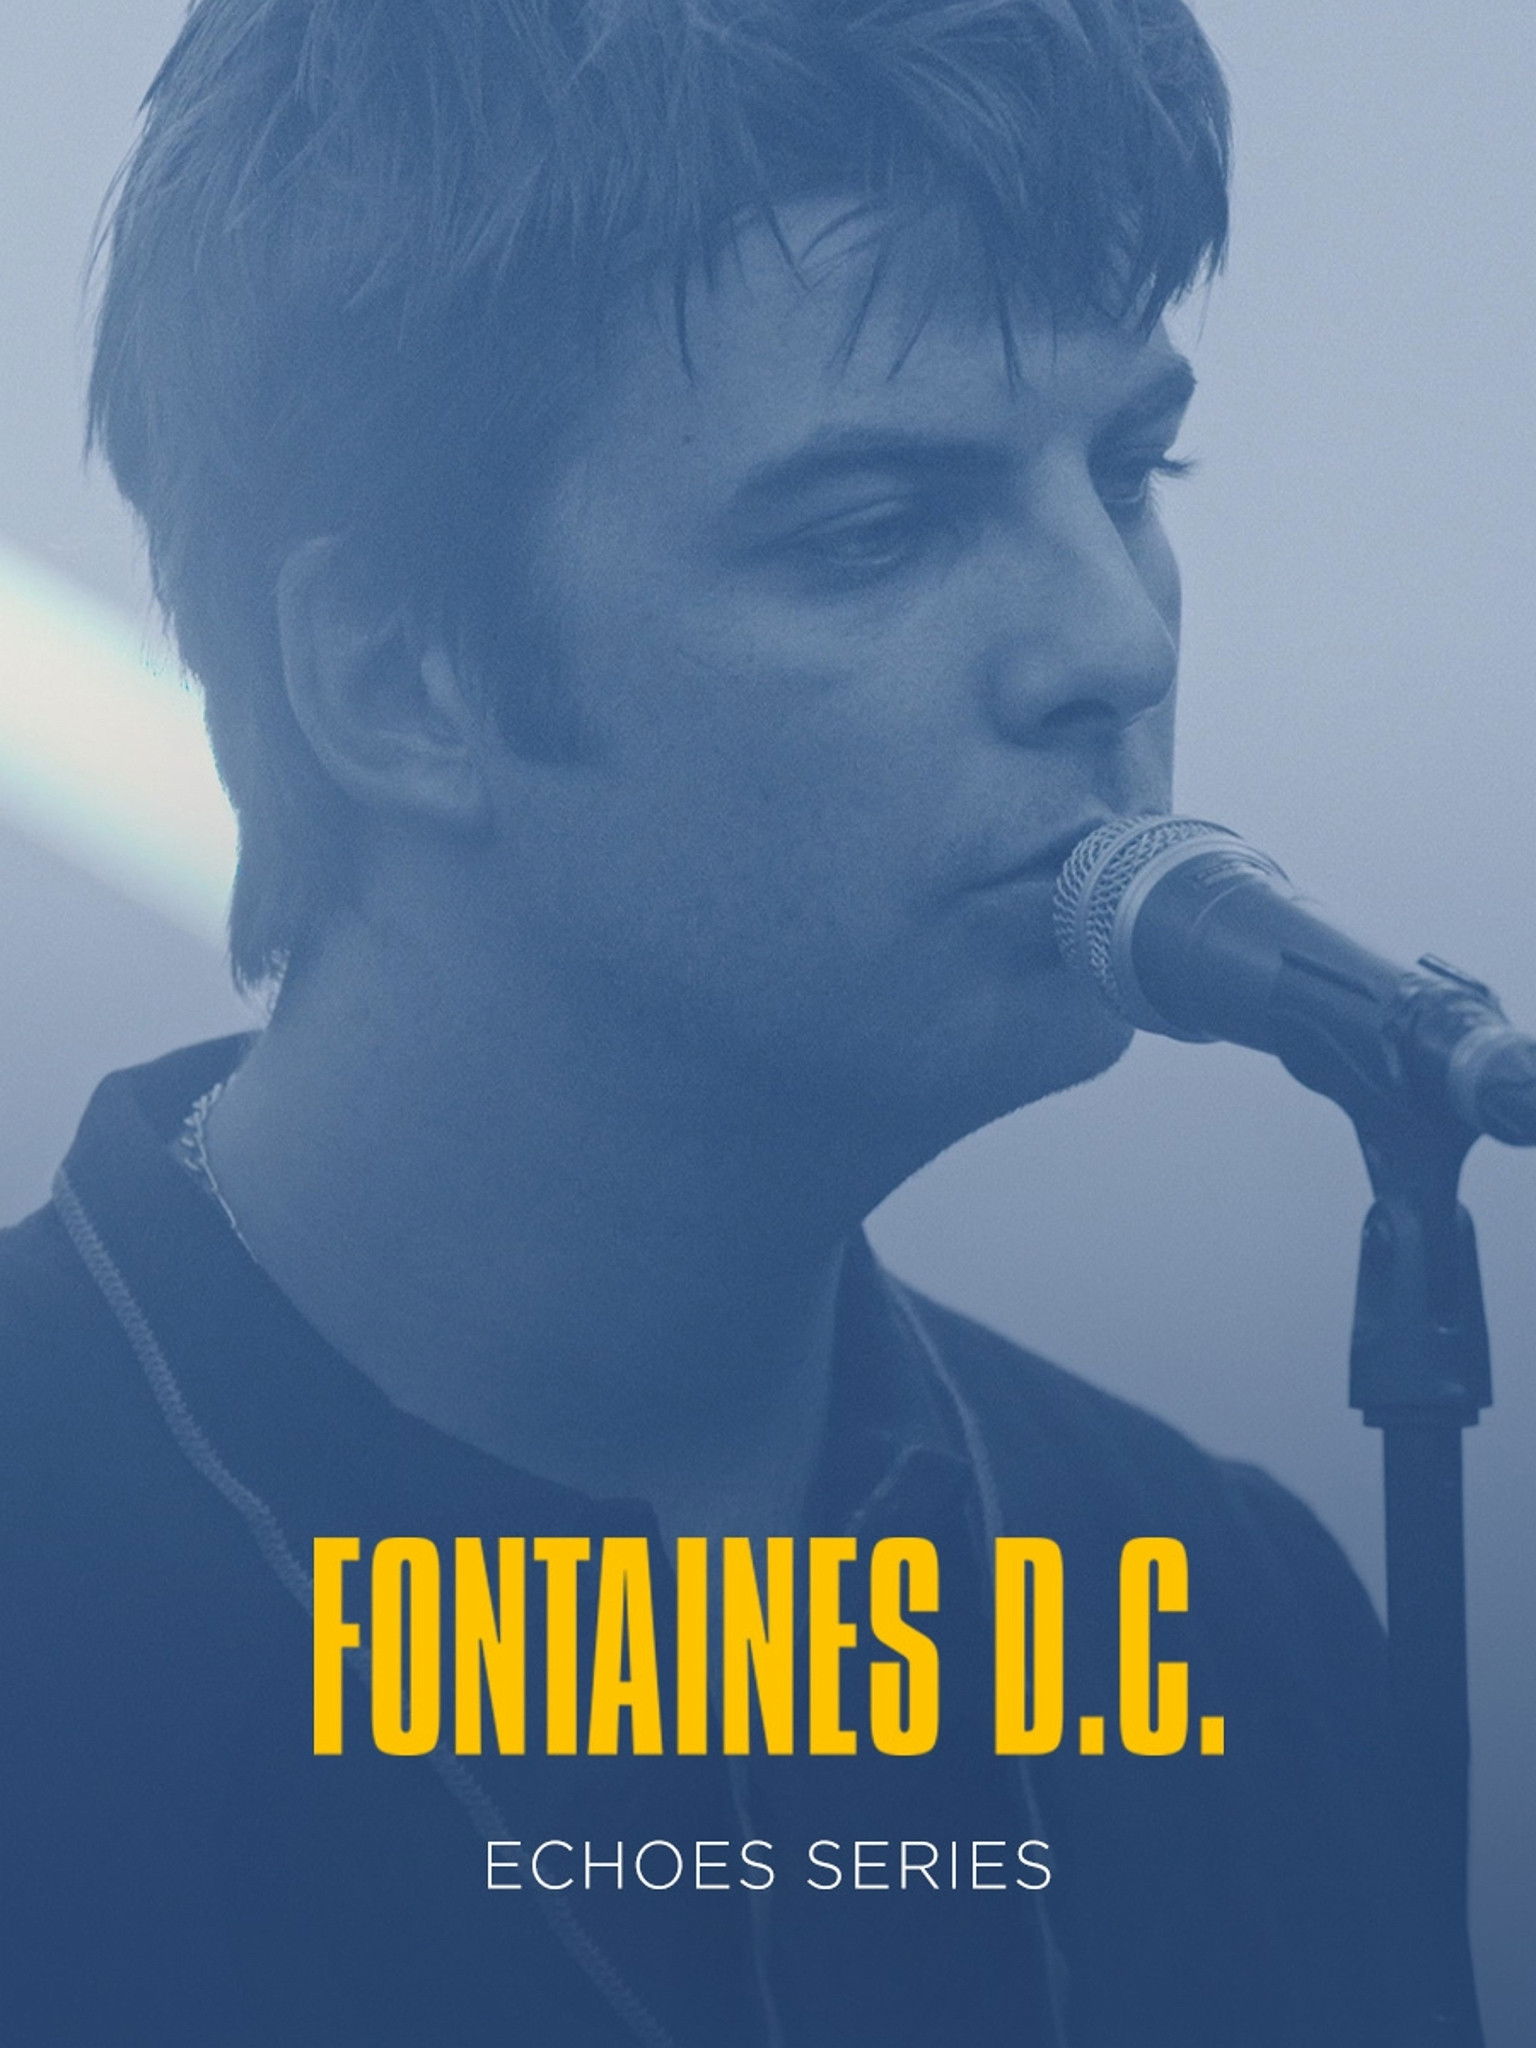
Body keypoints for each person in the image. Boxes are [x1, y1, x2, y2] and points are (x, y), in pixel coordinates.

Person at [2, 2, 1410, 2042]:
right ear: (394, 677)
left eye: (1130, 468)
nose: (1113, 637)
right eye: (874, 530)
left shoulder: (1233, 1613)